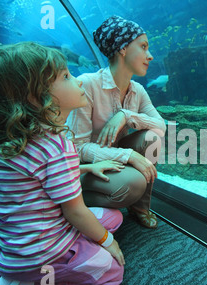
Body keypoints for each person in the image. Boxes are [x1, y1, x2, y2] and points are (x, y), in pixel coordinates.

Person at [0, 42, 125, 285]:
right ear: (36, 96)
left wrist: (88, 165)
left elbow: (38, 179)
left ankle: (20, 273)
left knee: (113, 218)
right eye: (66, 76)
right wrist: (108, 243)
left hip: (16, 245)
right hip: (44, 250)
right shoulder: (56, 146)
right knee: (110, 272)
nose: (77, 80)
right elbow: (75, 211)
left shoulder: (13, 141)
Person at [66, 16, 166, 229]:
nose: (150, 55)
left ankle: (140, 208)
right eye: (143, 46)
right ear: (122, 48)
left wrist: (126, 115)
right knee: (133, 184)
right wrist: (128, 155)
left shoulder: (137, 90)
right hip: (85, 168)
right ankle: (71, 204)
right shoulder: (87, 84)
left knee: (153, 137)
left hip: (112, 157)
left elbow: (161, 126)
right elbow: (76, 148)